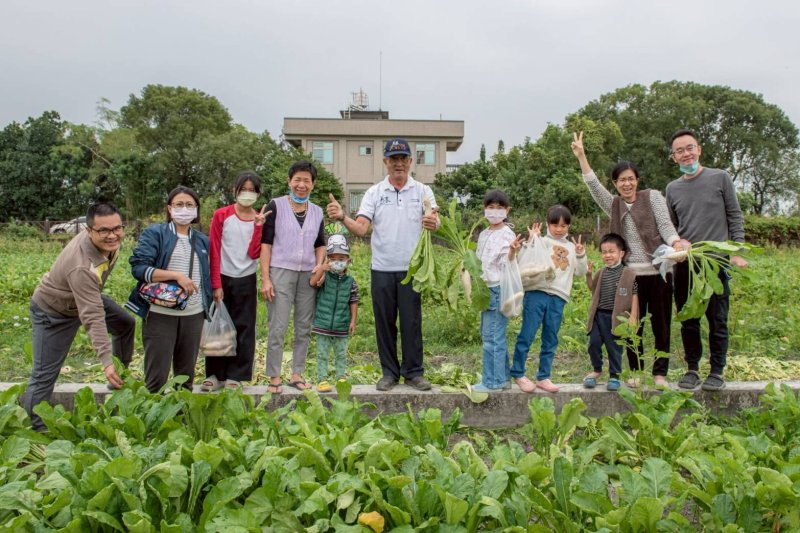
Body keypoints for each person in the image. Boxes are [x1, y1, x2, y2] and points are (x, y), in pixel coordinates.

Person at [326, 138, 440, 392]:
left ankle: (413, 372)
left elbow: (435, 219)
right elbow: (361, 227)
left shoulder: (423, 191)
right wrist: (342, 216)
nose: (398, 163)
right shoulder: (374, 193)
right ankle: (389, 373)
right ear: (385, 162)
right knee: (384, 323)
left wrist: (434, 223)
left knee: (411, 323)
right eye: (393, 159)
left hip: (413, 271)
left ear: (410, 161)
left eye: (403, 158)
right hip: (382, 268)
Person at [571, 131, 684, 387]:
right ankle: (635, 371)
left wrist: (676, 242)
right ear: (615, 183)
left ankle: (660, 373)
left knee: (661, 325)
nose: (627, 184)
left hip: (659, 273)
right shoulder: (613, 205)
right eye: (621, 180)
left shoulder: (653, 196)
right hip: (630, 277)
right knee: (632, 325)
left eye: (631, 179)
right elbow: (592, 185)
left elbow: (666, 225)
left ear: (637, 180)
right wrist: (582, 156)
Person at [24, 202, 134, 431]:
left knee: (125, 323)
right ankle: (37, 429)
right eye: (103, 230)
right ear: (89, 231)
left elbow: (90, 298)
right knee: (44, 373)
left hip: (81, 296)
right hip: (53, 312)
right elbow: (92, 314)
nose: (112, 235)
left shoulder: (111, 243)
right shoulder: (83, 266)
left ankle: (119, 376)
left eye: (117, 228)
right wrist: (105, 361)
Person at [666, 129, 747, 392]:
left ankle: (717, 370)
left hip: (716, 263)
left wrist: (736, 251)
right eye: (680, 151)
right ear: (674, 157)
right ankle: (691, 368)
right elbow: (671, 228)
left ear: (699, 149)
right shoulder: (673, 188)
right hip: (687, 265)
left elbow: (734, 216)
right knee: (689, 317)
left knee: (717, 318)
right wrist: (677, 246)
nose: (686, 154)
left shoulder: (720, 178)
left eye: (689, 148)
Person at [126, 186, 211, 393]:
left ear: (196, 209)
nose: (184, 209)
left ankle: (182, 420)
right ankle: (155, 421)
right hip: (160, 313)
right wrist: (176, 276)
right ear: (169, 208)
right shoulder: (156, 233)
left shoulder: (202, 240)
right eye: (179, 204)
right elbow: (139, 268)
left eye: (190, 205)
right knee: (157, 376)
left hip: (193, 314)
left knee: (185, 377)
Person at [260, 160, 326, 394]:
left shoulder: (317, 211)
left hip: (307, 275)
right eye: (297, 179)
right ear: (289, 181)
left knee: (303, 326)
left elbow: (320, 244)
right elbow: (266, 244)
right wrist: (266, 279)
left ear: (313, 184)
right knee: (277, 326)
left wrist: (319, 267)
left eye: (306, 180)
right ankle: (274, 376)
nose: (301, 184)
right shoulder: (275, 206)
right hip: (280, 272)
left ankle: (296, 374)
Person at [203, 171, 270, 391]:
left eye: (252, 190)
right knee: (219, 326)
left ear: (258, 194)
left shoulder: (258, 219)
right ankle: (215, 374)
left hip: (246, 279)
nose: (247, 194)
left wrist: (259, 226)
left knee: (244, 326)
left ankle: (236, 376)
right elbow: (213, 249)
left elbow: (254, 253)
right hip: (222, 277)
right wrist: (216, 284)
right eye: (244, 189)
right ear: (235, 191)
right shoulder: (222, 215)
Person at [510, 205, 588, 393]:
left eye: (563, 225)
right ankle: (518, 372)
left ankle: (544, 377)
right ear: (547, 224)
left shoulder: (571, 247)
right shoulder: (542, 241)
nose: (559, 229)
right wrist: (531, 240)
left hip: (558, 297)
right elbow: (524, 261)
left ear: (569, 226)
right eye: (555, 224)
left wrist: (580, 254)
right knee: (527, 333)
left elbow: (581, 271)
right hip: (537, 292)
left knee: (550, 337)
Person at [473, 190, 522, 393]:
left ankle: (492, 382)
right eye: (490, 207)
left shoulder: (507, 234)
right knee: (492, 335)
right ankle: (502, 379)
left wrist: (512, 251)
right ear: (485, 209)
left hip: (496, 289)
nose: (494, 211)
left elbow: (506, 263)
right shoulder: (484, 233)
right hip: (484, 289)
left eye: (499, 208)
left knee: (493, 337)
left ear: (507, 210)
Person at [584, 233, 639, 391]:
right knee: (593, 343)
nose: (607, 255)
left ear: (621, 253)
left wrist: (633, 316)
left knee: (614, 347)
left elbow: (634, 294)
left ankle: (614, 376)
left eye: (611, 251)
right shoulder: (601, 272)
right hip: (598, 315)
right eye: (604, 252)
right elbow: (592, 290)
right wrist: (588, 275)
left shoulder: (628, 274)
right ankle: (596, 370)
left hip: (616, 318)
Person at [309, 234, 359, 392]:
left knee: (341, 353)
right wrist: (322, 269)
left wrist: (352, 321)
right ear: (327, 259)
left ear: (348, 261)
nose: (337, 262)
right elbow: (312, 283)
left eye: (341, 258)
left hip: (341, 324)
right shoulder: (324, 277)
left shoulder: (351, 282)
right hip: (322, 324)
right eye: (333, 258)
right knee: (322, 353)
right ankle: (322, 379)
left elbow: (353, 301)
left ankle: (341, 377)